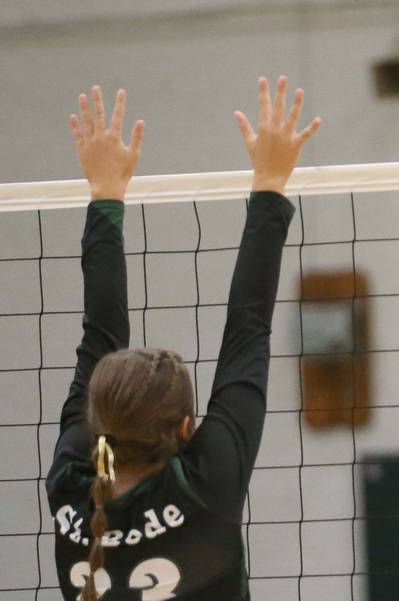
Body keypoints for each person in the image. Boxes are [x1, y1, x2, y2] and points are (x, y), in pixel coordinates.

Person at [46, 76, 320, 600]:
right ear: (187, 431)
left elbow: (248, 329)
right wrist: (105, 194)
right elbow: (100, 336)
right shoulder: (76, 474)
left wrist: (270, 183)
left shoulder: (80, 481)